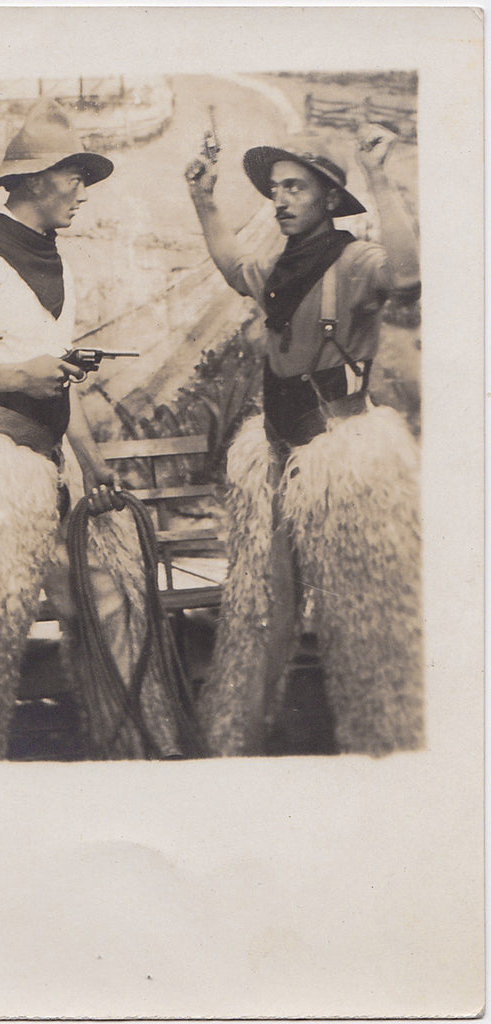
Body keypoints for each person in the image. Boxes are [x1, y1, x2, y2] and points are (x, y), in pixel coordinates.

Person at [185, 125, 423, 756]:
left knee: (360, 614)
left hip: (341, 457)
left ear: (327, 198)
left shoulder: (355, 261)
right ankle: (240, 736)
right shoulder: (276, 268)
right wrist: (204, 201)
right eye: (275, 190)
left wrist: (379, 177)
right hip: (276, 452)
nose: (281, 200)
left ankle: (383, 745)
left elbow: (408, 274)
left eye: (296, 188)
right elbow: (233, 264)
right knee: (262, 606)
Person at [0, 99, 131, 760]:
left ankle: (132, 751)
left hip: (54, 473)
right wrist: (14, 374)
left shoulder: (59, 266)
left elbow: (56, 381)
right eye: (75, 178)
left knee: (111, 605)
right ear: (38, 179)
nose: (83, 194)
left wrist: (91, 462)